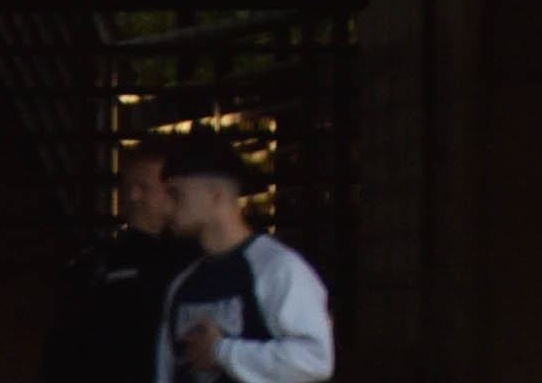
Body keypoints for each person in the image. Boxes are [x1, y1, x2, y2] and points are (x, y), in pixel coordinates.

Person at [153, 137, 334, 383]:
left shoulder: (277, 268)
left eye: (176, 195)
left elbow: (315, 359)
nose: (167, 209)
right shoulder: (183, 284)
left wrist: (222, 352)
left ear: (215, 196)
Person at [42, 147, 186, 383]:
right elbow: (65, 348)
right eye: (166, 188)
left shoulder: (194, 259)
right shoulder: (97, 265)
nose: (174, 196)